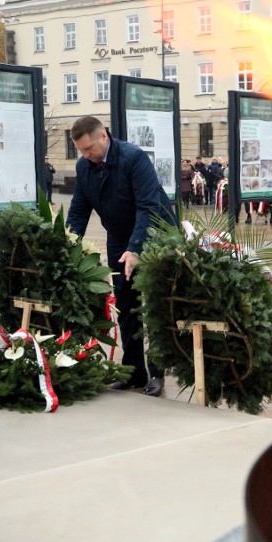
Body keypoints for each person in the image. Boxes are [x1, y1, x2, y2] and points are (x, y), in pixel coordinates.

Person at [65, 116, 178, 396]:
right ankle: (133, 371)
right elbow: (79, 210)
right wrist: (67, 244)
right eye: (81, 151)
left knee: (154, 305)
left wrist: (137, 248)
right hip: (118, 237)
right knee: (126, 304)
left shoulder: (134, 158)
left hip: (154, 234)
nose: (87, 156)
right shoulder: (85, 167)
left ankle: (157, 372)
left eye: (89, 148)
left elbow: (148, 207)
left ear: (103, 136)